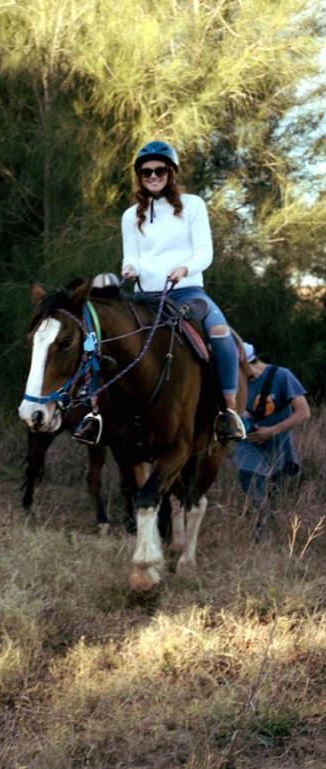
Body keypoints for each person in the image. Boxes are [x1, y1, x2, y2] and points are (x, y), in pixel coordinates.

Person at [74, 140, 246, 445]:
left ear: (171, 172)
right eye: (145, 172)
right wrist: (129, 269)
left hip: (187, 292)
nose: (152, 176)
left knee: (220, 333)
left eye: (159, 170)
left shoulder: (192, 205)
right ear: (139, 176)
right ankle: (95, 411)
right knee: (99, 335)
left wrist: (185, 268)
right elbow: (132, 256)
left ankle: (228, 413)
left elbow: (205, 251)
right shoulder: (130, 215)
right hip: (144, 297)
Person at [233, 341, 311, 538]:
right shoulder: (235, 384)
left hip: (279, 443)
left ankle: (273, 530)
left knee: (277, 492)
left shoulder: (282, 376)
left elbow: (304, 412)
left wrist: (272, 430)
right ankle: (262, 528)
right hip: (249, 442)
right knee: (249, 477)